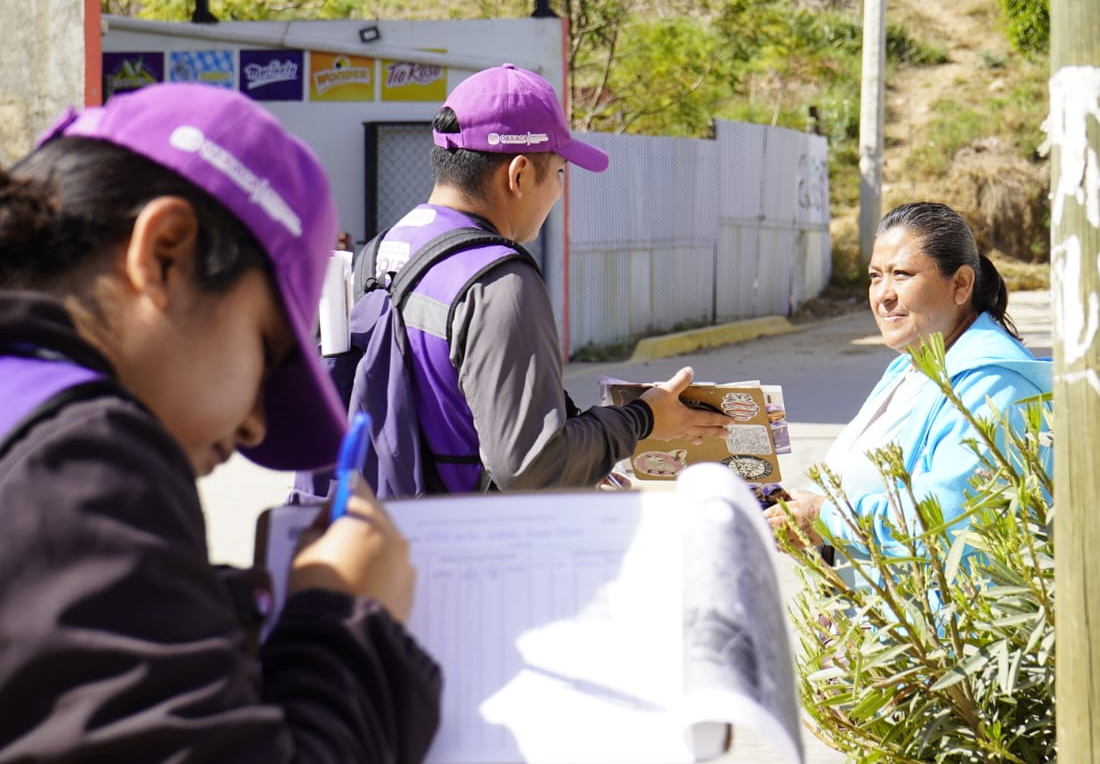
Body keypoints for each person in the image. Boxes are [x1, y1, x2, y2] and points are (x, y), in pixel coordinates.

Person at [0, 83, 441, 760]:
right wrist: (348, 623)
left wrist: (192, 615)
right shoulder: (82, 457)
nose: (256, 426)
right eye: (268, 354)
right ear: (167, 253)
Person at [299, 63, 730, 496]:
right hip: (468, 547)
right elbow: (531, 466)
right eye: (560, 172)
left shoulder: (377, 254)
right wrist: (644, 419)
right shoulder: (499, 282)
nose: (561, 192)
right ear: (519, 174)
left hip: (383, 535)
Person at [764, 201, 1051, 572]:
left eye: (901, 274)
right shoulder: (910, 367)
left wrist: (826, 519)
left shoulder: (993, 384)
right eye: (874, 276)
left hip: (942, 627)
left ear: (961, 284)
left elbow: (951, 518)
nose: (883, 294)